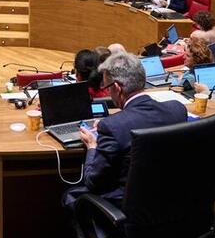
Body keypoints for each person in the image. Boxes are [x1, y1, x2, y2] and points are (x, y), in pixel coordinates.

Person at [65, 52, 187, 208]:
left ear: (117, 88)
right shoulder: (177, 110)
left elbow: (93, 182)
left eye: (107, 88)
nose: (108, 92)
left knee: (69, 196)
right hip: (174, 202)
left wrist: (92, 147)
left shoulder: (111, 127)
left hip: (130, 210)